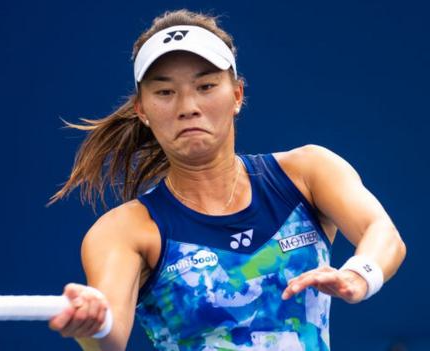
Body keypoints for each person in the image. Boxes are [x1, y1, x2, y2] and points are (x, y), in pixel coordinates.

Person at [47, 9, 406, 351]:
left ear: (237, 95)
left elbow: (382, 232)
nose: (187, 106)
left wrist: (359, 275)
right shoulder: (123, 231)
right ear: (142, 109)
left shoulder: (308, 172)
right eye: (165, 92)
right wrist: (91, 325)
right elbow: (108, 337)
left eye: (205, 86)